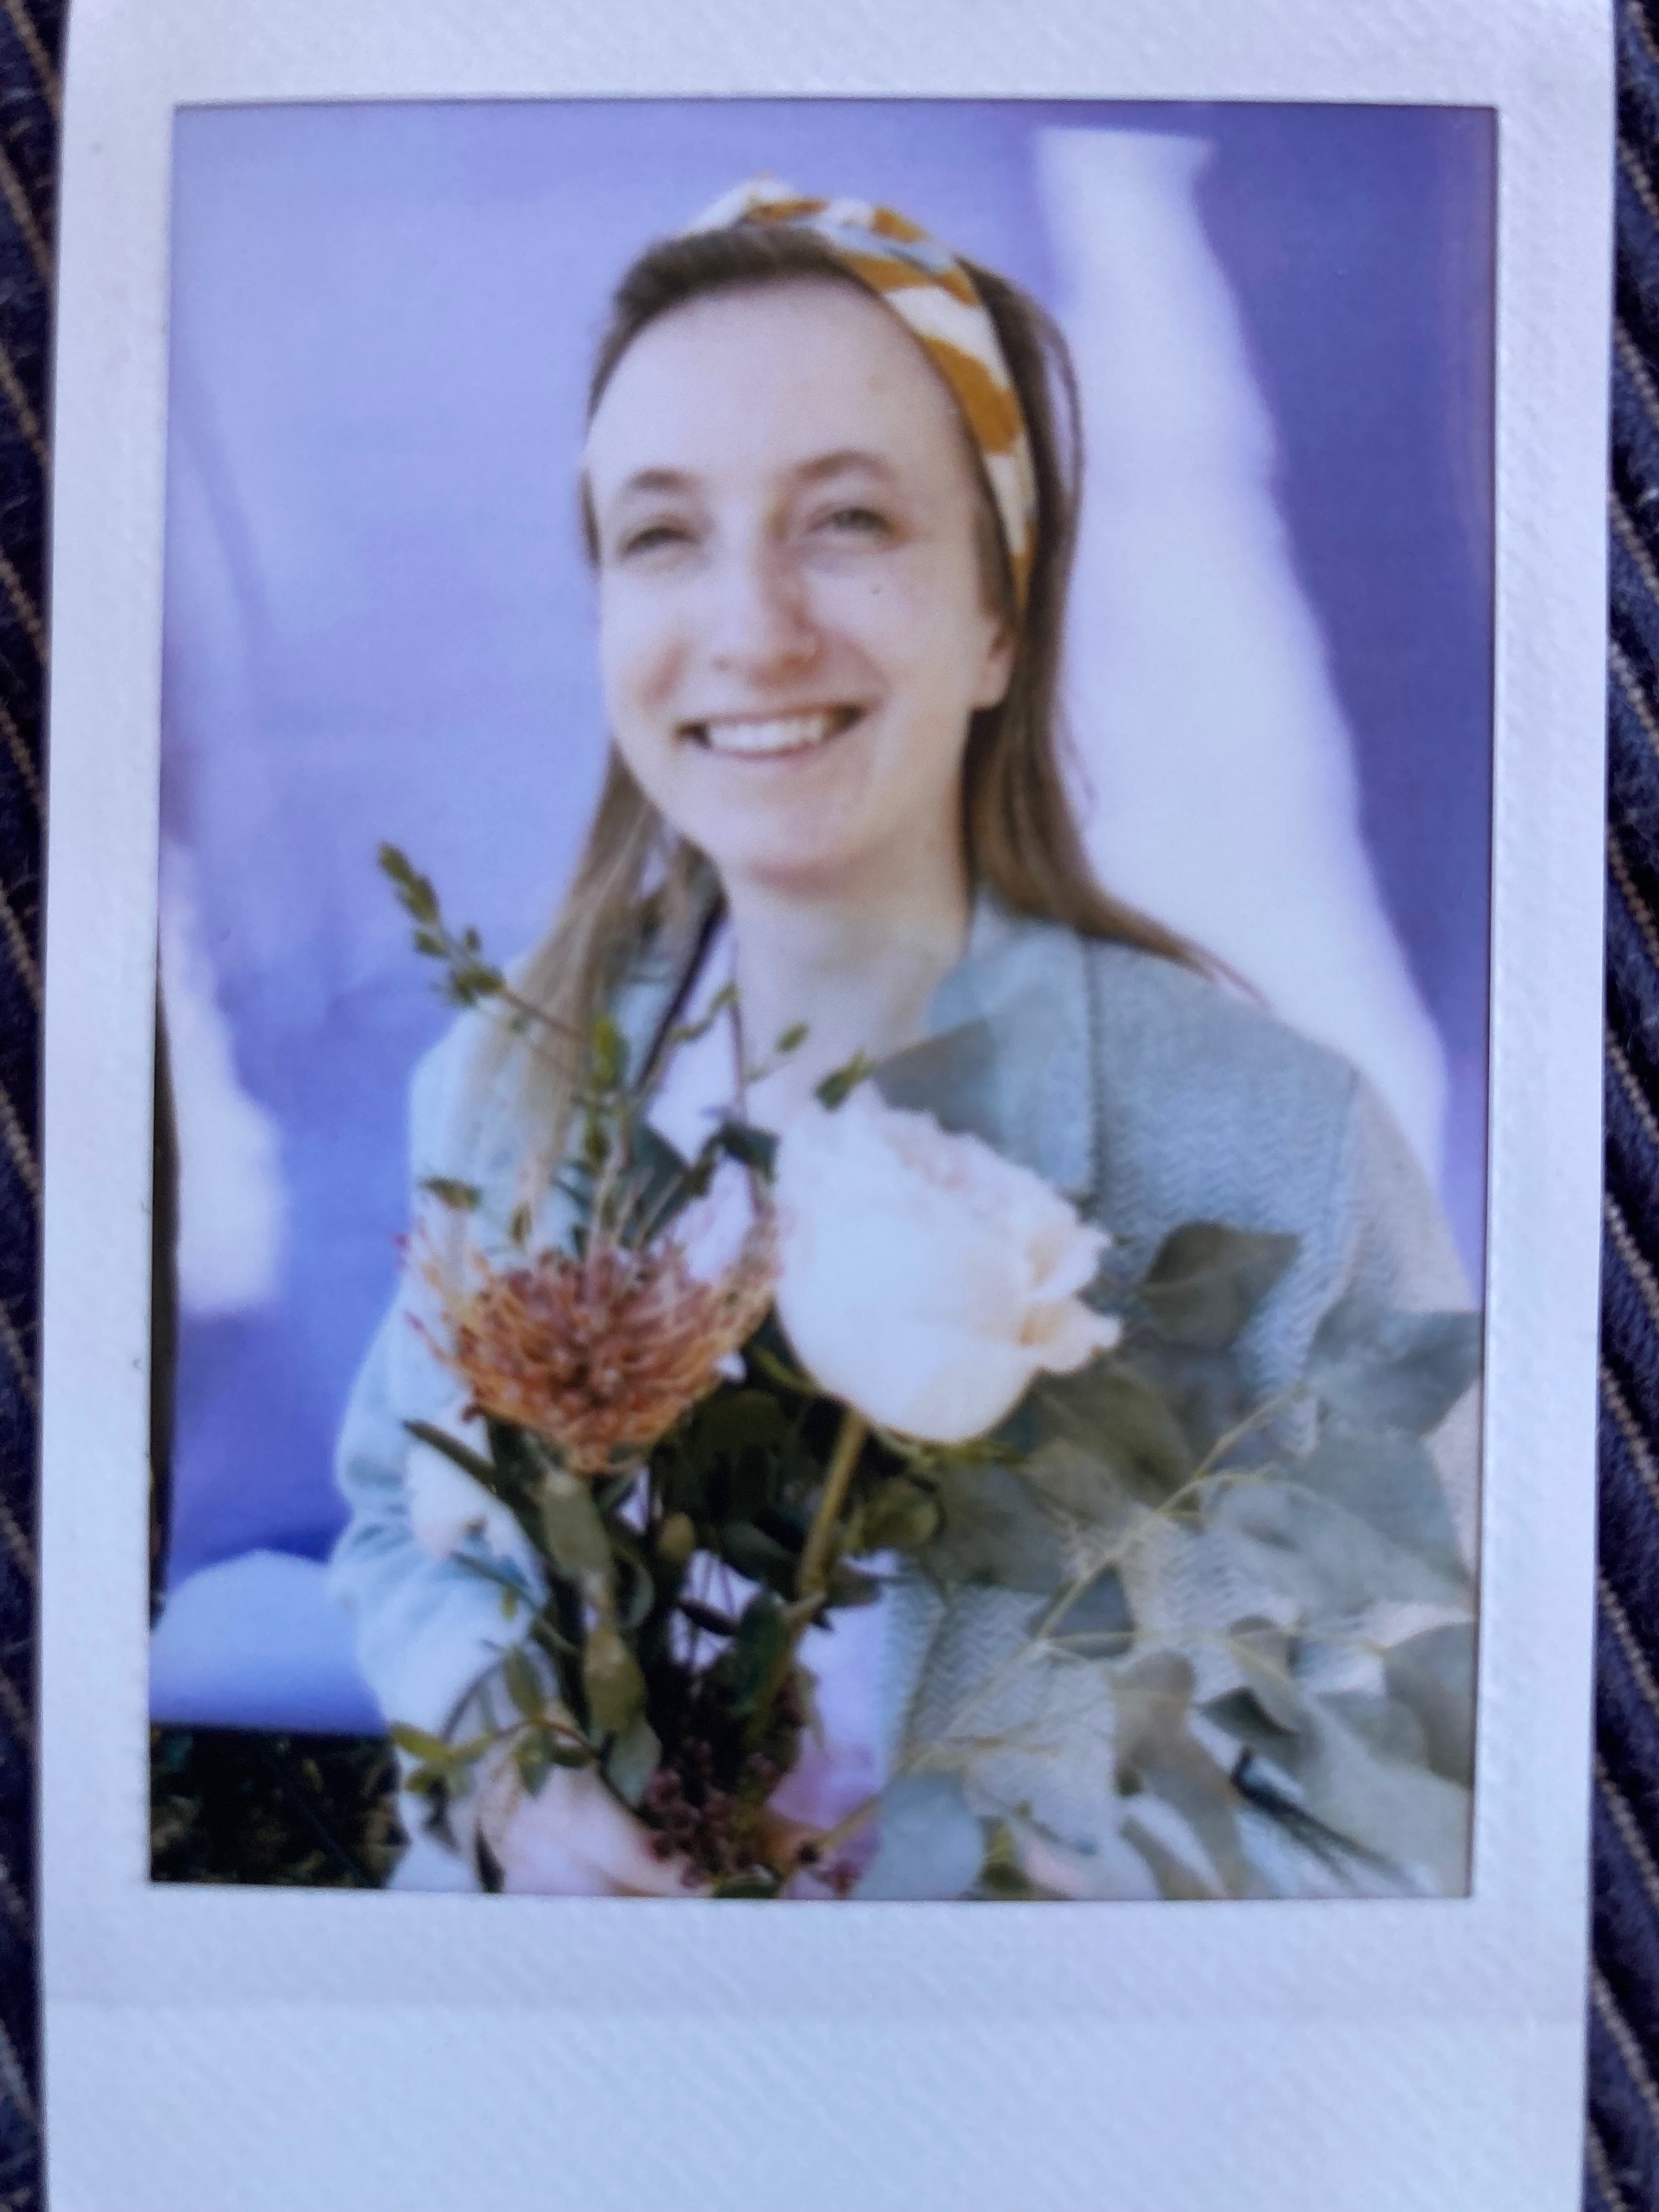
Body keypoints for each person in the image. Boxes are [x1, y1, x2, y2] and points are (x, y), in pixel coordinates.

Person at [328, 179, 1477, 1899]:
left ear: (1001, 616)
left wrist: (991, 1918)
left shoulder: (1275, 1150)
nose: (750, 627)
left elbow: (1418, 1814)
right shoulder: (507, 1092)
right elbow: (393, 1535)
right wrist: (510, 1774)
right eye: (662, 534)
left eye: (846, 520)